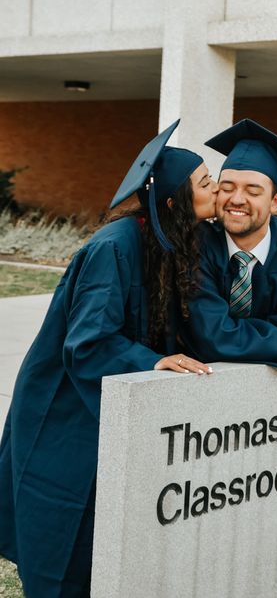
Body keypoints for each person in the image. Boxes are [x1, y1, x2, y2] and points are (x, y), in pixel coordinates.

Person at [0, 120, 215, 598]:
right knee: (63, 532)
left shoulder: (166, 241)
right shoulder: (112, 248)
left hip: (102, 405)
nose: (217, 188)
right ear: (176, 200)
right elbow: (88, 342)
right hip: (64, 409)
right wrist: (152, 360)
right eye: (206, 182)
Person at [180, 118, 277, 371]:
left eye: (253, 191)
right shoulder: (197, 242)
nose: (237, 199)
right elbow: (210, 338)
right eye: (227, 188)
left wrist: (231, 335)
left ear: (276, 201)